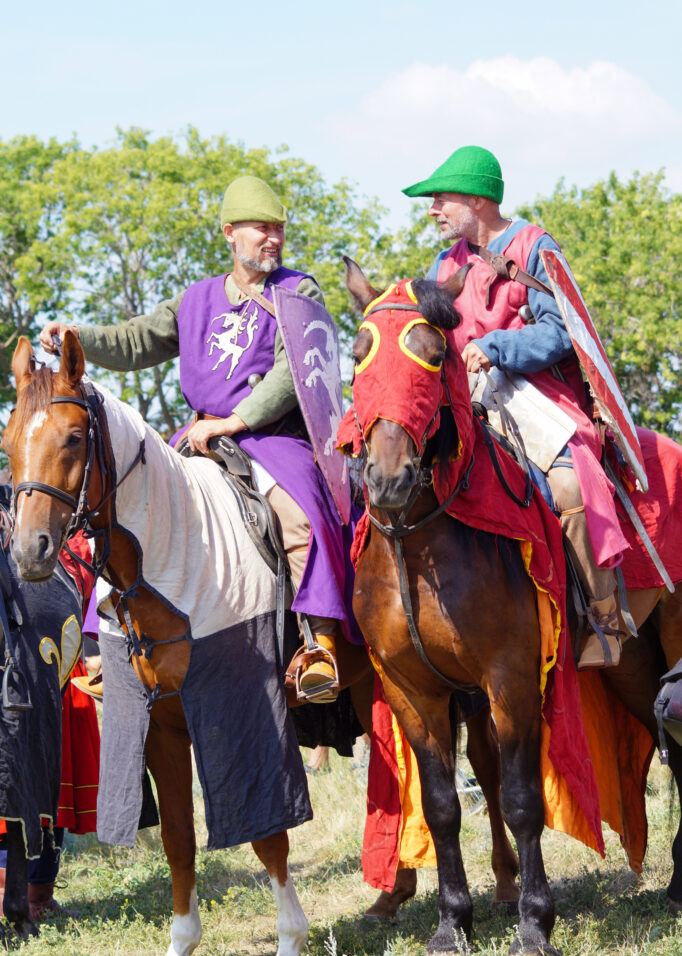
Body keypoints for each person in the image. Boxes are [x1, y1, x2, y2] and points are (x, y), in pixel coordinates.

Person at [40, 175, 353, 699]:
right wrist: (78, 336)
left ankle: (318, 643)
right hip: (198, 436)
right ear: (230, 232)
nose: (272, 238)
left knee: (301, 517)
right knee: (124, 506)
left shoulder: (299, 292)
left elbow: (292, 371)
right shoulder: (197, 299)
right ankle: (107, 641)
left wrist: (237, 420)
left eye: (278, 228)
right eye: (260, 229)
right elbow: (135, 339)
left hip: (271, 438)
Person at [402, 145, 629, 669]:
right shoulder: (443, 264)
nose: (433, 209)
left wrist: (498, 348)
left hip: (534, 394)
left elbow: (560, 332)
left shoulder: (533, 246)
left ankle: (603, 618)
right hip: (465, 397)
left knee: (571, 484)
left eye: (441, 199)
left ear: (478, 199)